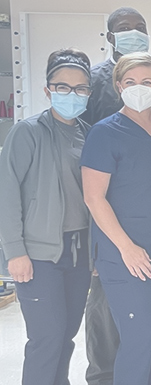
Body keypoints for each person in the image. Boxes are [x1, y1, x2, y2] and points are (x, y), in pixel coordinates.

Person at [83, 9, 151, 385]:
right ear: (118, 85)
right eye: (130, 81)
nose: (138, 86)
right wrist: (126, 248)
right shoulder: (105, 133)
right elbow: (94, 198)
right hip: (124, 253)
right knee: (139, 339)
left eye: (146, 80)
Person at [0, 49, 93, 385]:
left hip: (79, 251)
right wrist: (15, 252)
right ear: (47, 90)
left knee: (65, 335)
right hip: (39, 254)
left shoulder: (89, 133)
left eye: (80, 88)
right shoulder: (27, 132)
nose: (72, 94)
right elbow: (7, 193)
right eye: (62, 87)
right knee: (46, 337)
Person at [84, 7, 151, 126]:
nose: (134, 34)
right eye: (124, 29)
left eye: (140, 29)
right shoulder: (92, 81)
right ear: (110, 37)